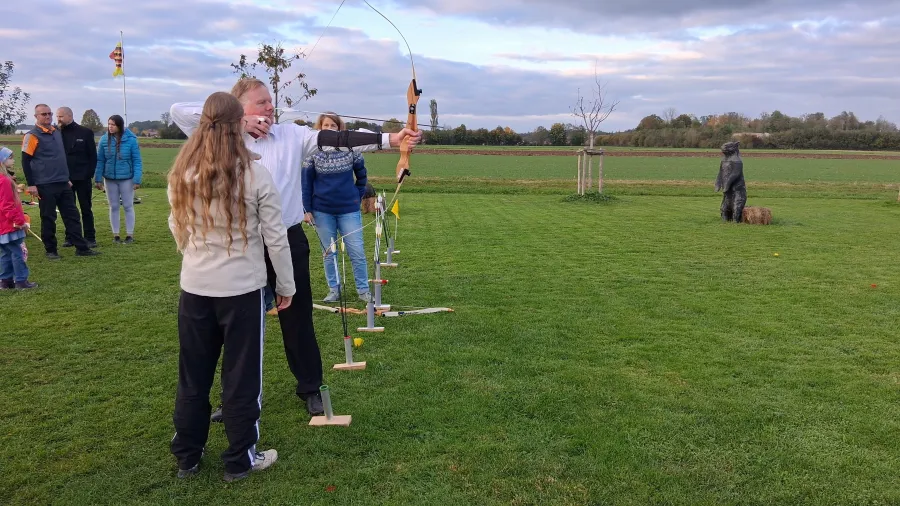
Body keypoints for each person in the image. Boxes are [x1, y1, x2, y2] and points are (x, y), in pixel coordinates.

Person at [170, 77, 422, 417]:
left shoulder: (291, 135)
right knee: (238, 327)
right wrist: (239, 121)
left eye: (269, 101)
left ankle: (310, 388)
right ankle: (234, 400)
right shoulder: (222, 137)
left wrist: (391, 139)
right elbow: (178, 110)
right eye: (261, 102)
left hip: (287, 240)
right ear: (239, 106)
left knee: (298, 319)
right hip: (242, 246)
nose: (269, 107)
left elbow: (338, 138)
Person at [167, 91, 295, 482]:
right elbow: (276, 238)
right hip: (240, 293)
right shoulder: (254, 175)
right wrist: (286, 285)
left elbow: (176, 226)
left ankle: (188, 456)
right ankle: (240, 459)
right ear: (238, 124)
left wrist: (195, 256)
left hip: (196, 288)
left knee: (193, 375)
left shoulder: (183, 172)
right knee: (242, 378)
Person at [301, 112, 372, 303]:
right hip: (322, 211)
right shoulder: (312, 152)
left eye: (333, 126)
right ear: (320, 128)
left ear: (340, 128)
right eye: (326, 125)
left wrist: (356, 195)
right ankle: (334, 289)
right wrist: (307, 210)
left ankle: (363, 290)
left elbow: (362, 176)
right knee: (329, 253)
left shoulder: (351, 150)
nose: (330, 129)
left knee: (357, 252)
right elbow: (306, 184)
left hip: (349, 210)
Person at [20, 104, 100, 259]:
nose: (48, 116)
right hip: (44, 183)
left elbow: (61, 158)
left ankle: (81, 248)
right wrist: (32, 184)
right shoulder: (32, 136)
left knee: (72, 216)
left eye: (49, 113)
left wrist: (66, 178)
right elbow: (25, 161)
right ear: (36, 116)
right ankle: (51, 250)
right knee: (49, 217)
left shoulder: (57, 132)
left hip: (63, 182)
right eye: (44, 114)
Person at [95, 115, 142, 244]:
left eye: (113, 125)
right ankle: (116, 235)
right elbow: (100, 160)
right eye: (109, 124)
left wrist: (137, 179)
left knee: (127, 205)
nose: (110, 127)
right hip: (109, 179)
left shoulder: (131, 140)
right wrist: (98, 178)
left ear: (119, 126)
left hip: (127, 178)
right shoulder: (104, 140)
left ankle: (129, 234)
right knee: (113, 206)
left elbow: (137, 161)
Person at [56, 107, 98, 248]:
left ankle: (90, 237)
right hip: (64, 178)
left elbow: (92, 156)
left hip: (83, 178)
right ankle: (71, 237)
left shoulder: (85, 132)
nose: (58, 119)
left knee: (86, 208)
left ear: (69, 116)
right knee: (69, 210)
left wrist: (89, 174)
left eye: (61, 116)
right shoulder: (56, 133)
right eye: (57, 116)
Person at [0, 147, 36, 290]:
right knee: (17, 252)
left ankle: (6, 280)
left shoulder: (4, 179)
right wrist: (20, 221)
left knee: (5, 253)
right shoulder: (4, 181)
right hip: (10, 225)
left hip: (3, 224)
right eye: (10, 158)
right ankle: (21, 280)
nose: (13, 160)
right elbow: (7, 206)